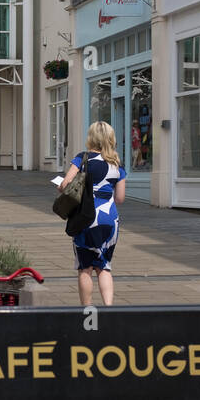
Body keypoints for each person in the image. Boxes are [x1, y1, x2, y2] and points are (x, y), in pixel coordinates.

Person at [61, 121, 126, 307]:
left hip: (86, 217)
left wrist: (62, 186)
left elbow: (66, 185)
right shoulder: (116, 164)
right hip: (110, 219)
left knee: (85, 267)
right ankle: (108, 308)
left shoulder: (82, 159)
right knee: (104, 266)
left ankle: (88, 310)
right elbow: (120, 198)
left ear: (91, 137)